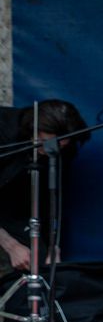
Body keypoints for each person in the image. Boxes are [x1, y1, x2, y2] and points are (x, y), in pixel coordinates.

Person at [0, 99, 86, 278]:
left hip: (14, 212)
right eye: (45, 142)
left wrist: (53, 247)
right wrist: (10, 245)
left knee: (38, 265)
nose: (50, 150)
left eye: (60, 145)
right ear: (33, 130)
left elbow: (51, 198)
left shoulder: (64, 149)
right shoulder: (5, 129)